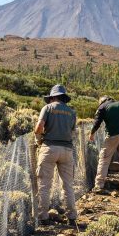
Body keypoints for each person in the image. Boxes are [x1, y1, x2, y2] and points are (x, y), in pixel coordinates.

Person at [34, 84, 78, 226]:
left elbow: (39, 127)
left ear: (52, 97)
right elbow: (72, 132)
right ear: (64, 97)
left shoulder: (47, 108)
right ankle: (72, 217)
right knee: (68, 185)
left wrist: (39, 139)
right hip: (67, 151)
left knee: (45, 184)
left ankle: (43, 217)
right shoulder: (72, 112)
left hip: (49, 149)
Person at [89, 95, 119, 194]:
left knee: (104, 159)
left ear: (102, 101)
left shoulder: (102, 107)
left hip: (112, 135)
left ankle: (99, 186)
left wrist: (92, 133)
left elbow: (97, 122)